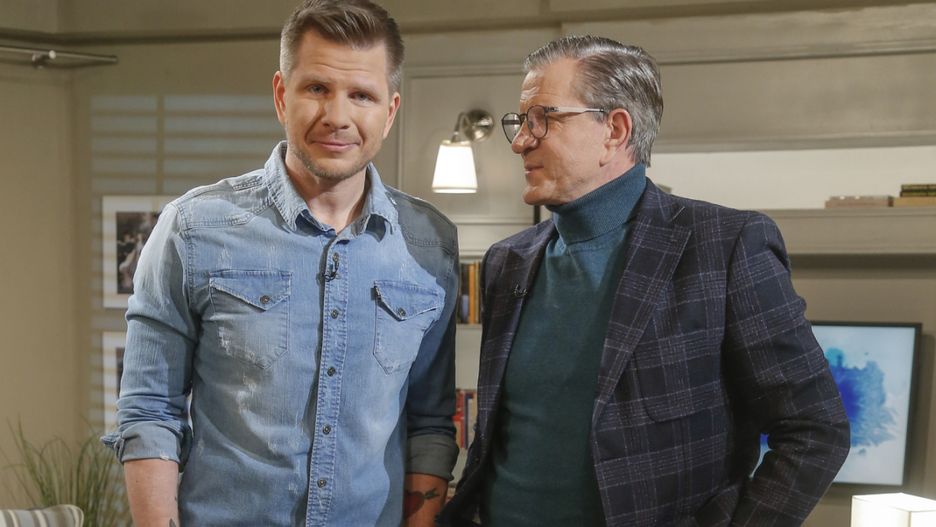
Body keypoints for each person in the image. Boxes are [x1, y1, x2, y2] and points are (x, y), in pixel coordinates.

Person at [440, 36, 850, 527]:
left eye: (542, 118)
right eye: (521, 121)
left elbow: (815, 428)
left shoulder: (725, 245)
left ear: (614, 130)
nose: (520, 141)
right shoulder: (506, 261)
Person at [102, 1, 459, 525]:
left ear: (390, 111)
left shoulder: (430, 244)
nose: (337, 116)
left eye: (361, 95)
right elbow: (150, 413)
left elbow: (429, 424)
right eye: (317, 88)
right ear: (280, 95)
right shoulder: (192, 229)